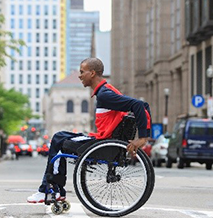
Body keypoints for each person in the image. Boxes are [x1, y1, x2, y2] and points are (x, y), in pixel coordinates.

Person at [27, 58, 152, 203]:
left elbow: (139, 105)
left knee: (58, 140)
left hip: (104, 143)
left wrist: (143, 137)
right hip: (105, 141)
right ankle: (56, 190)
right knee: (60, 137)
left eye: (82, 72)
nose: (79, 76)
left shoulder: (105, 95)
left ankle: (48, 190)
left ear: (92, 73)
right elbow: (143, 105)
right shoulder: (106, 91)